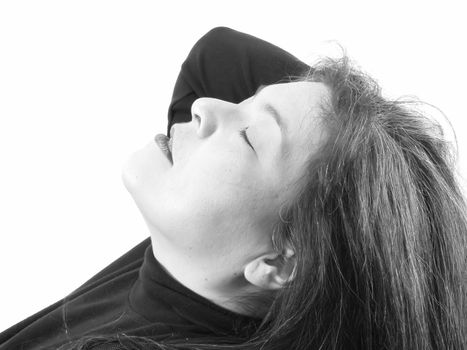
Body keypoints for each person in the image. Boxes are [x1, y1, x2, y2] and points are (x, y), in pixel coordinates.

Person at [0, 26, 465, 350]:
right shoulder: (210, 264)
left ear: (279, 262)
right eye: (246, 101)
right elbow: (218, 53)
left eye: (248, 136)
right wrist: (378, 149)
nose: (202, 107)